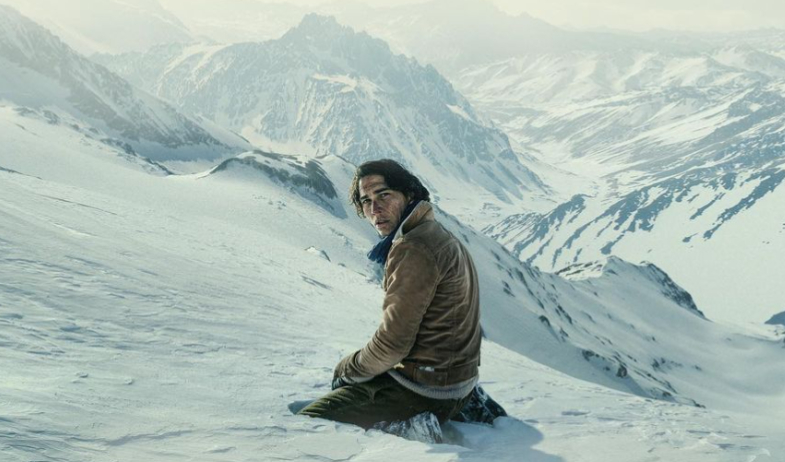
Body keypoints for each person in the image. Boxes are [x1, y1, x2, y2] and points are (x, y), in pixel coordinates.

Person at [298, 159, 488, 435]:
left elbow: (393, 345)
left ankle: (412, 428)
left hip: (426, 391)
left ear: (409, 194)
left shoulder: (412, 247)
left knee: (308, 423)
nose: (374, 209)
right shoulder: (436, 233)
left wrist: (347, 369)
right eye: (366, 201)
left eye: (384, 195)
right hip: (458, 384)